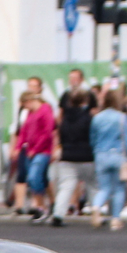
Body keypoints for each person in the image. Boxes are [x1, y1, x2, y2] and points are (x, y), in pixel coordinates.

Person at [89, 86, 127, 230]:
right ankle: (115, 219)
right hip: (118, 155)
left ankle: (96, 206)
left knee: (104, 188)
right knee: (119, 189)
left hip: (101, 154)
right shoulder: (121, 117)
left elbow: (93, 138)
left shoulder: (97, 118)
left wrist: (96, 151)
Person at [53, 70, 96, 224]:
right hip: (86, 155)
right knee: (92, 185)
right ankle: (96, 211)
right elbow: (92, 135)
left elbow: (60, 134)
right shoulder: (89, 118)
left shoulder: (64, 120)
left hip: (68, 154)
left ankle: (58, 213)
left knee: (66, 186)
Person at [15, 87, 58, 223]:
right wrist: (18, 146)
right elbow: (24, 131)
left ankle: (40, 206)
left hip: (42, 151)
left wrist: (36, 148)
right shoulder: (30, 113)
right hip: (32, 150)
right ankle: (51, 203)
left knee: (34, 177)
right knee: (42, 178)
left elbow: (47, 132)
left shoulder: (45, 110)